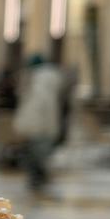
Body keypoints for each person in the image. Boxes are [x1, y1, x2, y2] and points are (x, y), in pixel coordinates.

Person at [13, 54, 65, 192]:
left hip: (37, 126)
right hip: (47, 126)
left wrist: (23, 124)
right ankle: (39, 179)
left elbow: (34, 107)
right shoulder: (49, 81)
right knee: (39, 154)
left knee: (35, 155)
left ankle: (37, 180)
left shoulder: (38, 82)